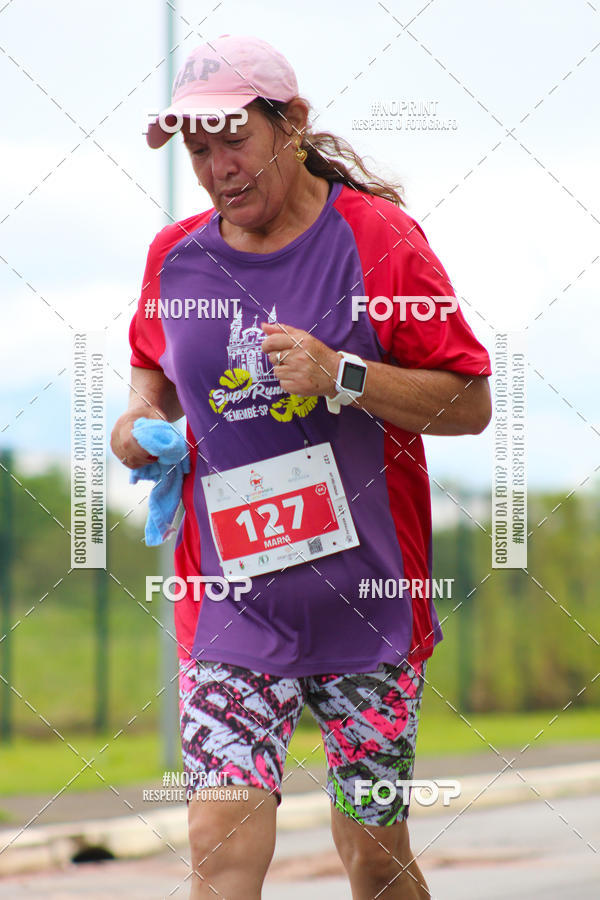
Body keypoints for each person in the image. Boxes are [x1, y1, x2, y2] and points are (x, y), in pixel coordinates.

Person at [111, 34, 491, 899]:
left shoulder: (380, 241)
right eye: (198, 151)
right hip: (231, 603)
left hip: (371, 601)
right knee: (219, 845)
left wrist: (341, 375)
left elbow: (469, 403)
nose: (215, 168)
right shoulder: (176, 258)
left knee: (374, 854)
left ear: (292, 125)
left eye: (233, 139)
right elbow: (152, 372)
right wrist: (138, 422)